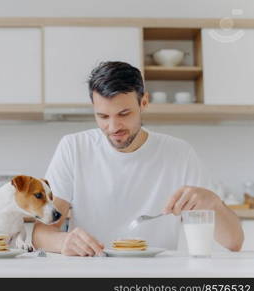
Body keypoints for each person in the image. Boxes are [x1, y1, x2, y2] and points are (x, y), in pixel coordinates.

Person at [32, 61, 244, 256]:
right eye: (103, 116)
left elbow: (234, 242)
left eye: (124, 114)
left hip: (157, 278)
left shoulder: (179, 154)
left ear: (144, 102)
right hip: (92, 271)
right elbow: (41, 233)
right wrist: (63, 242)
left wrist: (214, 204)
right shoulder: (74, 148)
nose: (113, 128)